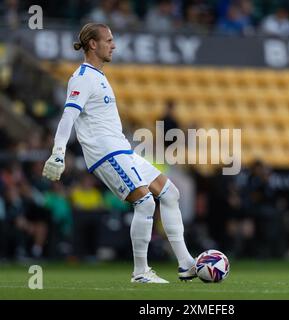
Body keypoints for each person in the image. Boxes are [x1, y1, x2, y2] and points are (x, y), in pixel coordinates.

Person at [42, 23, 196, 283]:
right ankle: (140, 272)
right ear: (93, 44)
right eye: (109, 40)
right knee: (145, 202)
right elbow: (68, 116)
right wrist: (57, 153)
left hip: (123, 150)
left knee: (171, 193)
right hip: (105, 153)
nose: (114, 45)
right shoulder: (82, 77)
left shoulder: (98, 76)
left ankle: (186, 264)